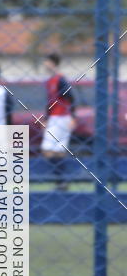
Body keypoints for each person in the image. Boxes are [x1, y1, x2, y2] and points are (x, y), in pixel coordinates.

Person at [41, 53, 75, 191]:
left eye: (46, 61)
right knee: (58, 150)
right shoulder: (51, 80)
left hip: (61, 117)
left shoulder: (60, 80)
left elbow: (70, 98)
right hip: (55, 117)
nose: (44, 64)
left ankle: (60, 180)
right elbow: (50, 102)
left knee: (48, 149)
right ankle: (61, 182)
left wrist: (73, 116)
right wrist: (46, 118)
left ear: (52, 63)